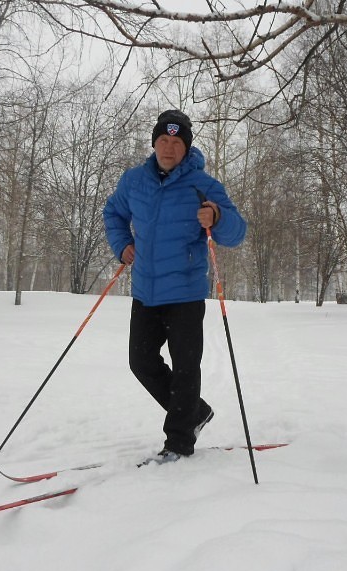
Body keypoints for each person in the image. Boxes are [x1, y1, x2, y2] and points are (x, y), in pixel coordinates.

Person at [103, 109, 247, 464]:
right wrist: (122, 244)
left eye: (177, 142)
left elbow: (237, 232)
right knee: (140, 362)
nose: (169, 148)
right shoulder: (134, 181)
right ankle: (194, 411)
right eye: (163, 141)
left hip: (184, 291)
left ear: (186, 147)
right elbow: (114, 213)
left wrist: (217, 216)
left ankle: (179, 442)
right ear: (155, 143)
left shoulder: (204, 185)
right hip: (145, 291)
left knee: (185, 367)